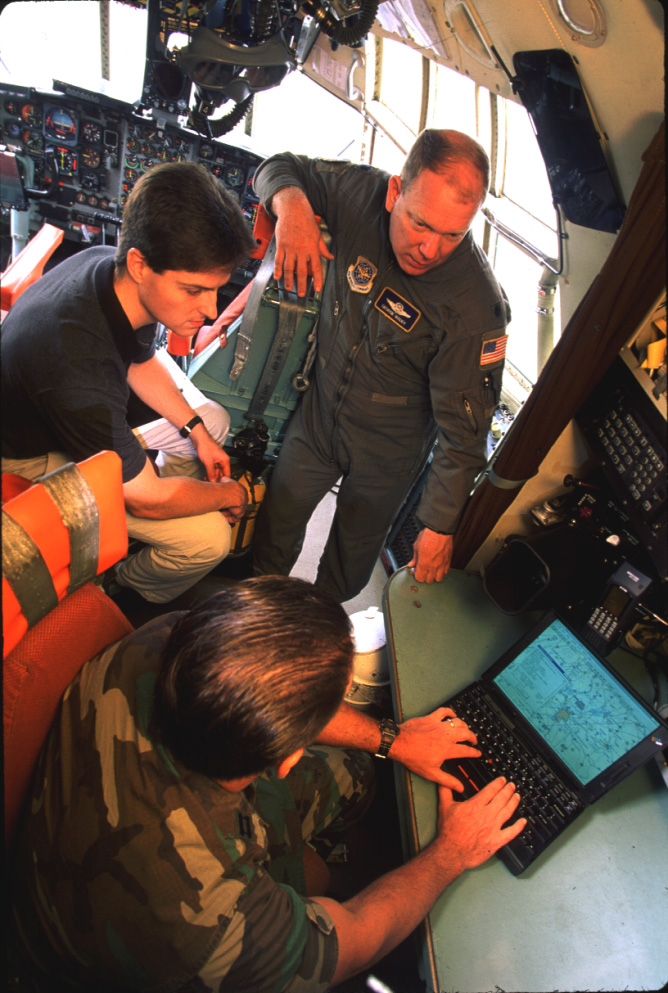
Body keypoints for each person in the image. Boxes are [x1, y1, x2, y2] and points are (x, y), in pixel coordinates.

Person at [10, 575, 526, 992]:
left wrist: (391, 740)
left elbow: (260, 682)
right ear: (284, 759)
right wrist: (452, 851)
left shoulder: (169, 637)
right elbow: (355, 940)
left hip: (106, 809)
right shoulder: (216, 926)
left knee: (354, 774)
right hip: (120, 951)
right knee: (324, 889)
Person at [245, 129, 510, 602]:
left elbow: (464, 433)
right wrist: (291, 208)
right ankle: (255, 614)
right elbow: (277, 166)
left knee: (348, 566)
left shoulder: (474, 308)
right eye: (420, 224)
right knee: (274, 526)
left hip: (388, 451)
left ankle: (318, 633)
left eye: (453, 235)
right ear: (394, 192)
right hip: (320, 414)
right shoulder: (360, 193)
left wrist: (438, 525)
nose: (430, 249)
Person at [1, 161, 257, 603]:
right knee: (209, 540)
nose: (211, 311)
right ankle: (122, 586)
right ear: (140, 264)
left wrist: (196, 432)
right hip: (26, 457)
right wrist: (226, 495)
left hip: (67, 410)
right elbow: (147, 499)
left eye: (216, 289)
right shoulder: (77, 365)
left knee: (211, 420)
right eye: (193, 290)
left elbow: (137, 362)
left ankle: (145, 513)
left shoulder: (106, 267)